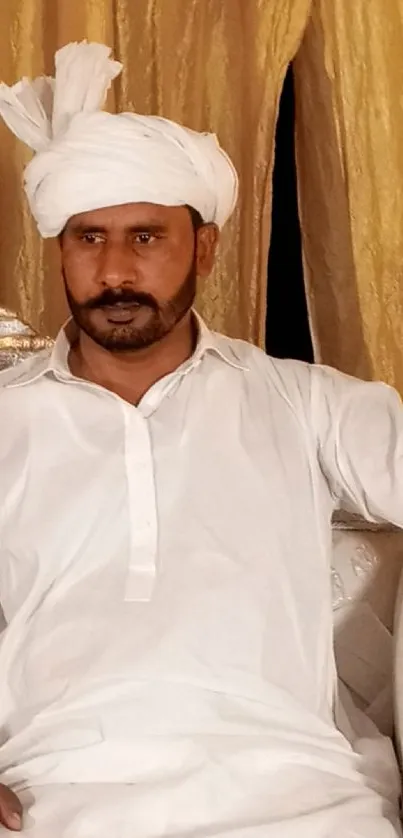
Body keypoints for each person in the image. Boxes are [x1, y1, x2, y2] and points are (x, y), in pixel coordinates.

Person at [0, 41, 401, 838]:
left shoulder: (299, 400)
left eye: (145, 237)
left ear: (205, 247)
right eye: (88, 237)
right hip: (56, 796)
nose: (114, 269)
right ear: (59, 250)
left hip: (305, 796)